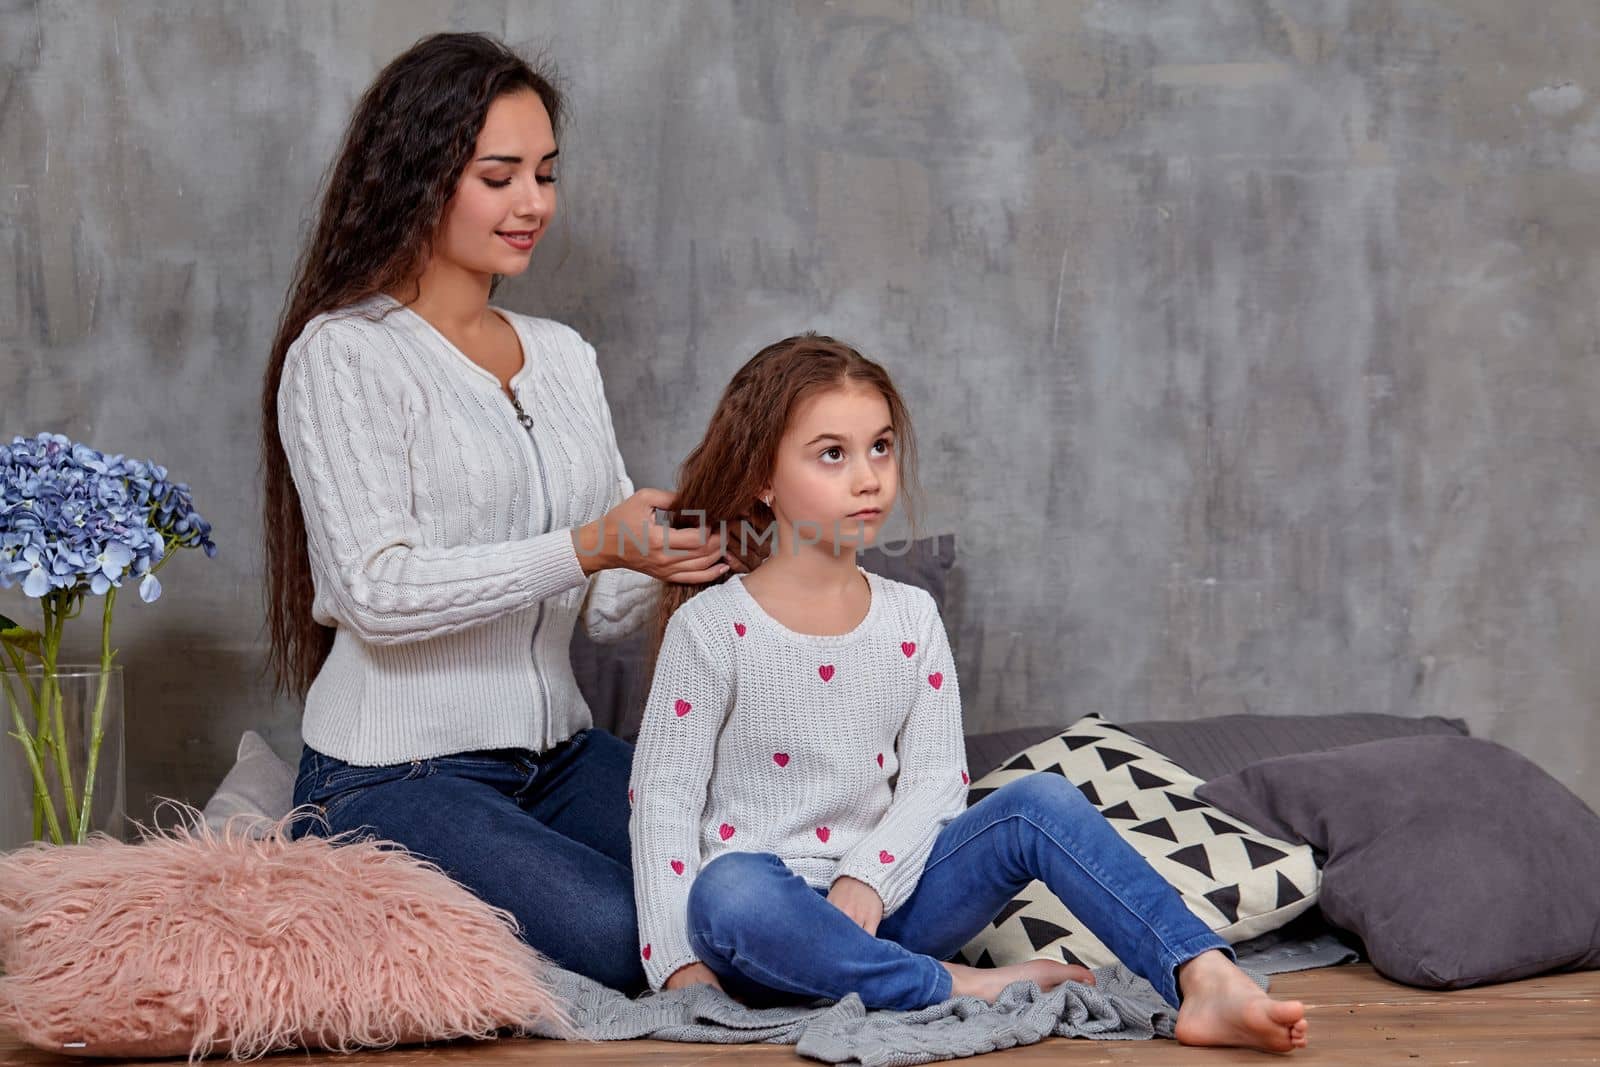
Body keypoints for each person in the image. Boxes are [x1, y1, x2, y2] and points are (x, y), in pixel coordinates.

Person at [627, 334, 1310, 1052]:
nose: (869, 478)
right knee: (730, 889)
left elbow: (935, 781)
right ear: (764, 476)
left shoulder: (910, 616)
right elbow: (664, 801)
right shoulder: (713, 628)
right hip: (769, 933)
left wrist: (869, 874)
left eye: (881, 448)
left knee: (1039, 803)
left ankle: (1202, 974)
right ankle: (951, 985)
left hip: (892, 904)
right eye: (833, 454)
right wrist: (678, 966)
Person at [259, 32, 741, 994]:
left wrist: (662, 558)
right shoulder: (343, 354)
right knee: (632, 935)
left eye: (546, 176)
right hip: (395, 775)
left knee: (743, 885)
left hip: (558, 755)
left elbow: (594, 603)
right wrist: (591, 542)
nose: (533, 205)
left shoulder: (563, 355)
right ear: (420, 176)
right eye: (500, 175)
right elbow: (374, 592)